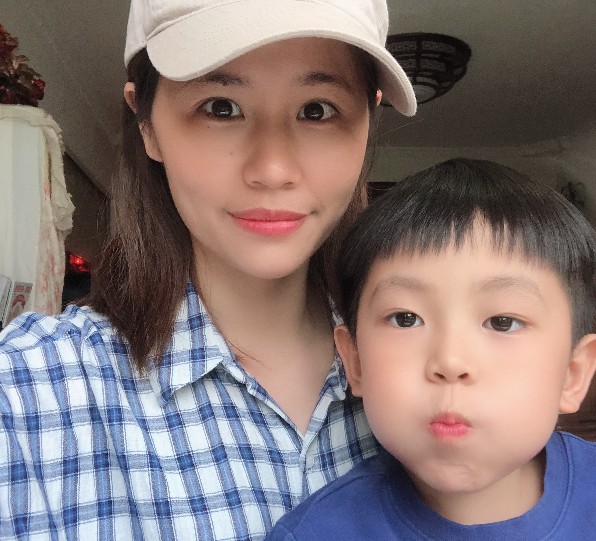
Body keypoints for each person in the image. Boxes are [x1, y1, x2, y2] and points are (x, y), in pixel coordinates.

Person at [0, 1, 416, 539]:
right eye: (221, 108)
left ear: (367, 123)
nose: (273, 169)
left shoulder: (437, 367)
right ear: (147, 124)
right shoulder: (29, 392)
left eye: (317, 110)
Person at [267, 158, 596, 540]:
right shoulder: (313, 532)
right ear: (356, 361)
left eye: (502, 322)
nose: (450, 361)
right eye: (406, 318)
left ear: (573, 374)